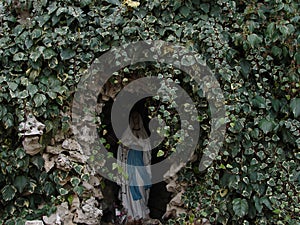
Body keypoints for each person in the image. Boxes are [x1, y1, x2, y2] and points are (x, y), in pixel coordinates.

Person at [117, 111, 160, 225]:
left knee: (141, 188)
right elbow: (121, 150)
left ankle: (143, 212)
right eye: (133, 118)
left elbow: (147, 150)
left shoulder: (144, 135)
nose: (135, 121)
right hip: (130, 165)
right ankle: (133, 213)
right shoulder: (126, 136)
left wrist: (140, 143)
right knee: (130, 189)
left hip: (140, 165)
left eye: (137, 118)